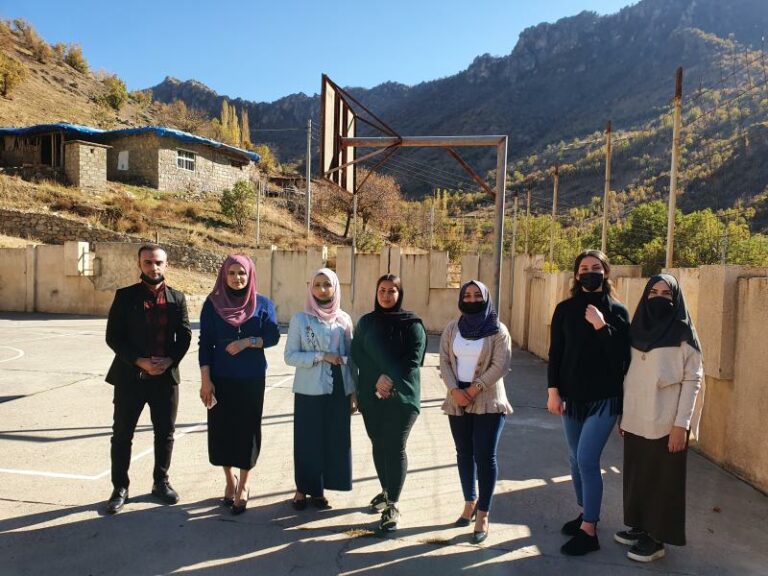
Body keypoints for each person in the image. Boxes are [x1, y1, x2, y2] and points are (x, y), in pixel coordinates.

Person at [547, 249, 630, 555]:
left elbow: (621, 359)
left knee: (586, 460)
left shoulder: (618, 312)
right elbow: (556, 352)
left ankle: (590, 531)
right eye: (583, 267)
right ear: (576, 274)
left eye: (596, 267)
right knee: (574, 459)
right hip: (572, 398)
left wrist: (601, 326)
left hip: (604, 399)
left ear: (606, 273)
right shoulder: (565, 309)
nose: (589, 272)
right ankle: (586, 511)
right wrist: (552, 390)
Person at [615, 274, 703, 562]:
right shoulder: (636, 328)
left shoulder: (683, 334)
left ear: (675, 299)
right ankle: (641, 528)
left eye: (666, 293)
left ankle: (657, 539)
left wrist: (682, 425)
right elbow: (629, 375)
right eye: (653, 291)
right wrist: (624, 416)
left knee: (664, 482)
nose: (659, 297)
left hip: (666, 422)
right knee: (638, 476)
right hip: (637, 418)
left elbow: (693, 381)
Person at [104, 243, 192, 514]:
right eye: (148, 263)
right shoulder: (125, 296)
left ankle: (160, 482)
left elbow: (185, 335)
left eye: (158, 263)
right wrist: (139, 360)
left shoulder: (177, 298)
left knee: (164, 434)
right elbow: (113, 336)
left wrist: (170, 361)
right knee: (122, 435)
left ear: (166, 265)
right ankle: (120, 487)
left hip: (165, 380)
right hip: (130, 378)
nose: (153, 267)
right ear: (139, 264)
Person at [199, 254, 280, 515]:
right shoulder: (212, 304)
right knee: (222, 430)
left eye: (242, 273)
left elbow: (273, 336)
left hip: (251, 378)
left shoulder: (263, 304)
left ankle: (244, 485)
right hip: (220, 378)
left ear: (250, 274)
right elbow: (205, 344)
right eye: (232, 273)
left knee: (246, 431)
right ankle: (228, 480)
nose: (237, 278)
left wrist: (248, 342)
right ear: (224, 274)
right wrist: (205, 381)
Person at [351, 274, 427, 532]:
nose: (386, 295)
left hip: (402, 396)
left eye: (392, 291)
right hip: (372, 394)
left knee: (394, 447)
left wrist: (389, 378)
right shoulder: (366, 322)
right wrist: (376, 380)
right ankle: (386, 491)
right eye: (382, 290)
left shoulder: (412, 324)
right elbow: (357, 353)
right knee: (379, 444)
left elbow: (413, 359)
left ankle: (392, 504)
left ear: (400, 294)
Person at [439, 280, 512, 544]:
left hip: (488, 401)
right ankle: (469, 503)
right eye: (466, 295)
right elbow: (444, 360)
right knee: (463, 453)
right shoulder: (452, 328)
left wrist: (474, 389)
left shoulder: (497, 330)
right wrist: (454, 390)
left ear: (486, 298)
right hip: (457, 400)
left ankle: (483, 514)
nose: (471, 299)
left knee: (485, 456)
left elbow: (501, 364)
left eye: (476, 295)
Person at [285, 268, 357, 511]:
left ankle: (320, 490)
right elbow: (290, 356)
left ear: (335, 288)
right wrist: (320, 356)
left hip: (339, 386)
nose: (322, 289)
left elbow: (351, 357)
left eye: (327, 284)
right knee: (307, 441)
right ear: (310, 288)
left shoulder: (344, 319)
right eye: (317, 284)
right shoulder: (300, 319)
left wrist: (353, 392)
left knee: (333, 439)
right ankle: (302, 489)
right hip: (309, 389)